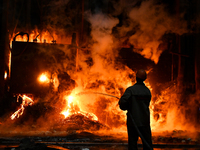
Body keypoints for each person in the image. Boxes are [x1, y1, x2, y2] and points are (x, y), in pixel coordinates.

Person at [118, 69, 153, 150]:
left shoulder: (130, 90)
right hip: (145, 122)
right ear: (145, 79)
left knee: (133, 144)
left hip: (133, 122)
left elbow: (123, 103)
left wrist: (127, 107)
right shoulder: (147, 91)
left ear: (136, 78)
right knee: (147, 143)